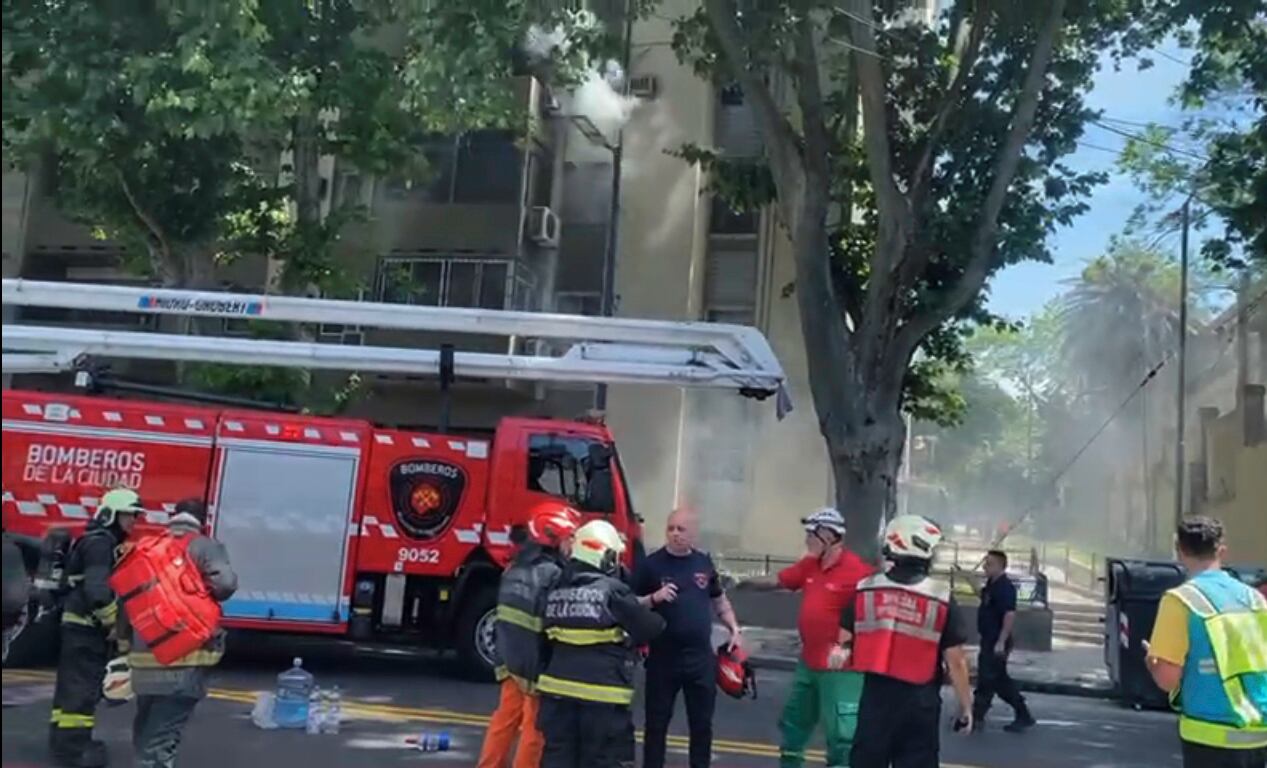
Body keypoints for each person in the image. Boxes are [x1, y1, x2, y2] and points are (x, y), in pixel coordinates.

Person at [735, 507, 873, 768]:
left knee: (841, 736)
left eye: (812, 533)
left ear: (830, 536)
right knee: (793, 725)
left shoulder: (858, 572)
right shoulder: (810, 566)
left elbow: (872, 611)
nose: (807, 539)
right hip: (809, 664)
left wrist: (850, 642)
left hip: (841, 668)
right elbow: (777, 580)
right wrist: (743, 582)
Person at [835, 515, 975, 768]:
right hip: (920, 701)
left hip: (876, 697)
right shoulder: (940, 597)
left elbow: (843, 643)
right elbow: (956, 661)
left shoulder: (866, 589)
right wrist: (965, 706)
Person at [116, 498, 237, 768]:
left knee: (147, 726)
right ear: (202, 520)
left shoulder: (146, 547)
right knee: (162, 739)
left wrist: (123, 642)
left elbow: (127, 599)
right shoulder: (205, 546)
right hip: (186, 656)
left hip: (145, 656)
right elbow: (226, 584)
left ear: (172, 516)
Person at [536, 519, 665, 768]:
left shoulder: (554, 591)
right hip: (601, 698)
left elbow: (541, 639)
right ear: (604, 556)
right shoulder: (611, 592)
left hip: (556, 695)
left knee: (557, 759)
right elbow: (650, 627)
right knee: (603, 760)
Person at [1144, 517, 1267, 768]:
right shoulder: (1255, 599)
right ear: (1222, 550)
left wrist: (1152, 662)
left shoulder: (1180, 601)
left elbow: (1167, 680)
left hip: (1209, 739)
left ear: (1180, 550)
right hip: (1258, 737)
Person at [635, 507, 742, 768]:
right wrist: (654, 598)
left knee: (702, 724)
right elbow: (630, 602)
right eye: (670, 528)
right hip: (663, 657)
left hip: (699, 658)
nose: (674, 534)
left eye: (680, 529)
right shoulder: (652, 564)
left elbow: (719, 599)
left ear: (693, 533)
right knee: (657, 724)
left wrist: (734, 628)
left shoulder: (703, 562)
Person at [477, 501, 581, 768]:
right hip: (535, 663)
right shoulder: (553, 573)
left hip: (510, 658)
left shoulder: (514, 567)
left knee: (506, 718)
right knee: (535, 728)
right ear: (552, 535)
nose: (573, 544)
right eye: (570, 537)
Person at [49, 488, 143, 768]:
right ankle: (75, 751)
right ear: (112, 514)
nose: (133, 522)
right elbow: (97, 591)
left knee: (70, 691)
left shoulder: (98, 541)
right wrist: (113, 622)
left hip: (78, 626)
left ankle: (63, 744)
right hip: (85, 629)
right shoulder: (101, 544)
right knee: (81, 691)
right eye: (129, 515)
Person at [972, 549, 1035, 733]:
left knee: (988, 679)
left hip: (997, 640)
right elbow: (986, 601)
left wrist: (1001, 641)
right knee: (997, 680)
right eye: (985, 562)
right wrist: (971, 583)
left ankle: (976, 717)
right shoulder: (992, 585)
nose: (985, 566)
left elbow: (1009, 614)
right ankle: (1022, 715)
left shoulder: (1005, 587)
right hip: (989, 639)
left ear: (1000, 566)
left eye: (989, 563)